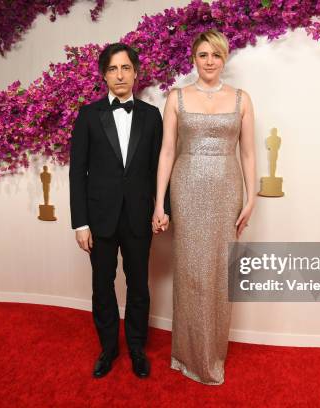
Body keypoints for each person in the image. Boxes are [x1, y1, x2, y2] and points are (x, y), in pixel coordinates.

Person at [152, 29, 256, 385]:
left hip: (227, 190)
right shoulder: (176, 98)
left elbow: (247, 152)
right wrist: (158, 203)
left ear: (224, 58)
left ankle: (213, 355)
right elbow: (167, 152)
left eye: (215, 55)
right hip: (188, 186)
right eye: (202, 55)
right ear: (193, 58)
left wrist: (252, 196)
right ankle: (187, 355)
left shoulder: (242, 99)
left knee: (219, 273)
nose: (209, 61)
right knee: (191, 270)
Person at [69, 43, 170, 379]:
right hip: (99, 219)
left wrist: (162, 208)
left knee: (139, 285)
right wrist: (80, 222)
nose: (120, 75)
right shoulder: (88, 116)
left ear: (136, 72)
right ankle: (109, 348)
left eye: (126, 68)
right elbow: (76, 172)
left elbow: (160, 167)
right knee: (103, 286)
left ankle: (137, 348)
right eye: (113, 69)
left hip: (140, 216)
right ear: (104, 76)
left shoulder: (152, 115)